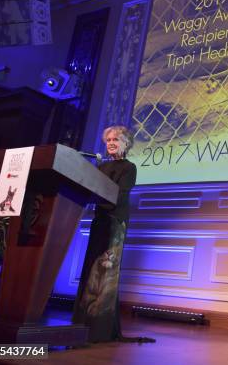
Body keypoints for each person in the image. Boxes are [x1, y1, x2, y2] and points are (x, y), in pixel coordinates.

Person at [72, 125, 153, 343]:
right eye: (107, 140)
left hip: (115, 221)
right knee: (92, 268)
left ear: (126, 143)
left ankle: (100, 328)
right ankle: (83, 323)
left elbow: (119, 193)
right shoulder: (100, 167)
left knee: (107, 272)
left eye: (115, 139)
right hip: (100, 221)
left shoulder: (129, 167)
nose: (110, 143)